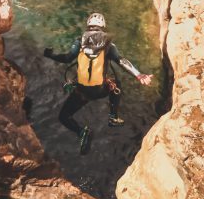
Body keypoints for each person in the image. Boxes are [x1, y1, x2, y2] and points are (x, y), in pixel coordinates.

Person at [44, 12, 153, 154]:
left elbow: (67, 58)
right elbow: (121, 61)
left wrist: (50, 55)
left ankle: (81, 132)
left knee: (63, 117)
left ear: (88, 26)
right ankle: (113, 117)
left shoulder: (79, 41)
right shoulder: (108, 45)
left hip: (82, 93)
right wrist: (139, 75)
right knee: (116, 84)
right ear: (103, 27)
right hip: (100, 90)